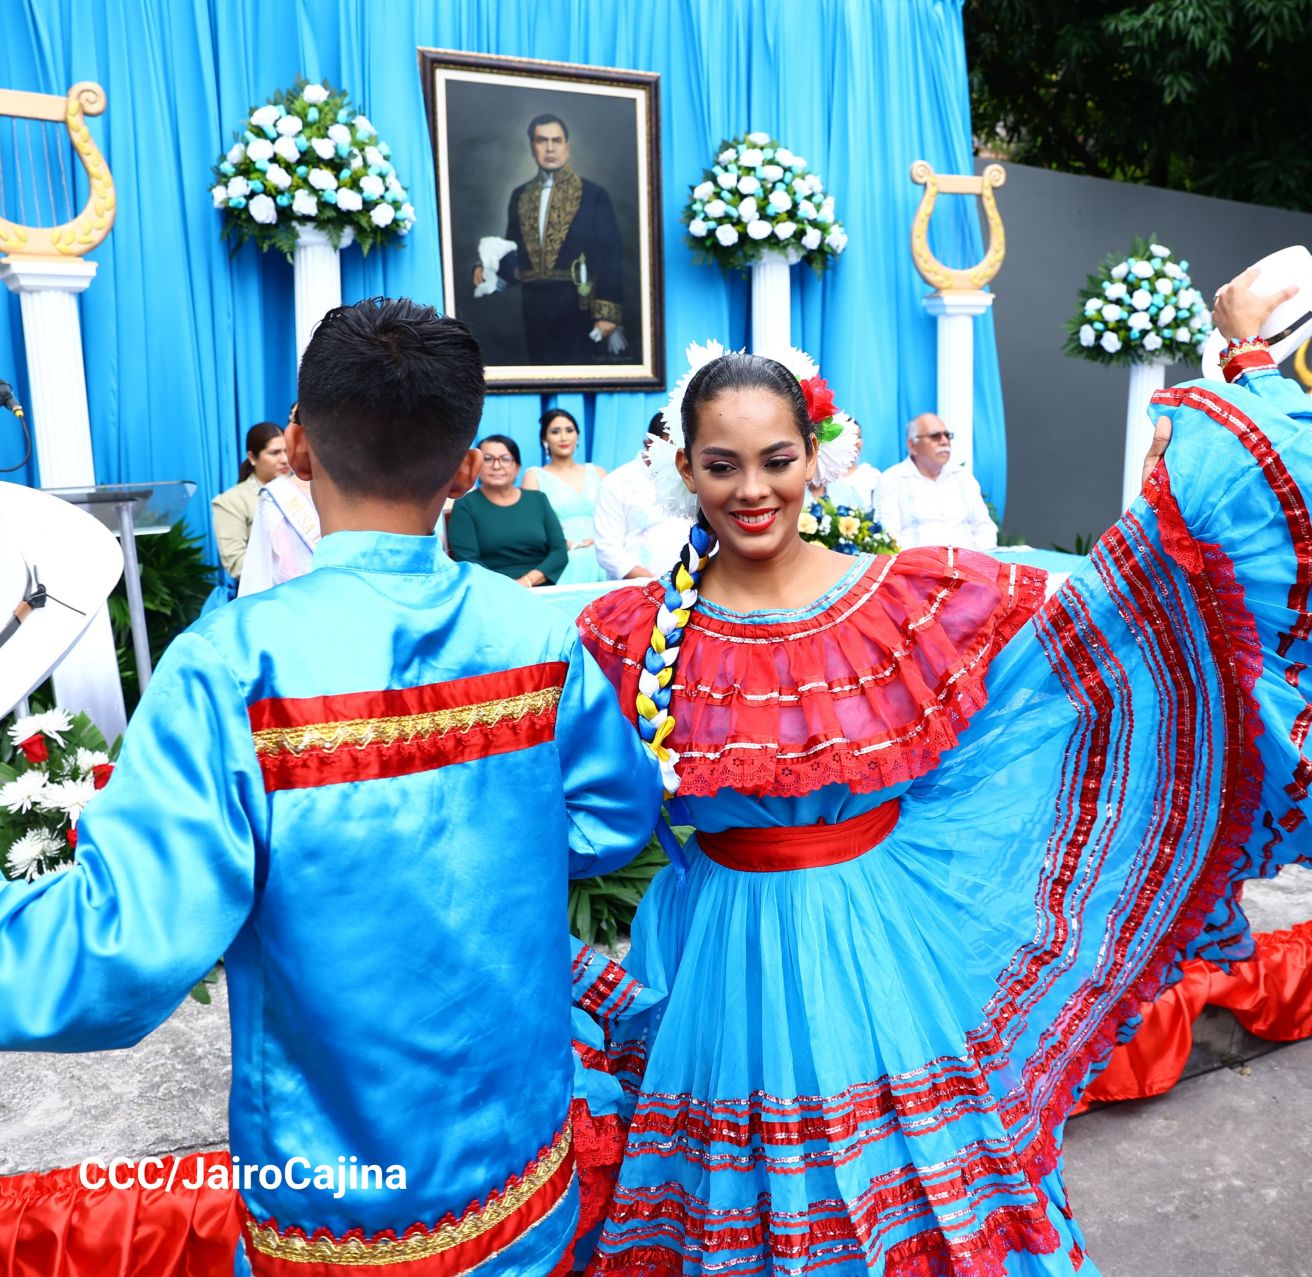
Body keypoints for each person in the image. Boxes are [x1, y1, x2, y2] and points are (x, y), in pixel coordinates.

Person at [574, 269, 1312, 1275]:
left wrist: (1249, 364)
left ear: (816, 458)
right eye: (722, 465)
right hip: (718, 959)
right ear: (684, 471)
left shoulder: (916, 596)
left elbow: (1120, 604)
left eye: (777, 459)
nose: (753, 489)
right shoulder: (623, 631)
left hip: (885, 947)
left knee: (921, 1213)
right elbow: (575, 813)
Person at [0, 298, 660, 1276]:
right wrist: (486, 838)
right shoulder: (537, 637)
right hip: (523, 1163)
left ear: (300, 448)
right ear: (463, 466)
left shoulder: (232, 665)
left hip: (342, 1202)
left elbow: (120, 949)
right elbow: (614, 814)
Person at [472, 113, 624, 364]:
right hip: (534, 306)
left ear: (567, 147)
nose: (550, 148)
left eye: (556, 140)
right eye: (542, 140)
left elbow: (610, 256)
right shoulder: (520, 196)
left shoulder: (594, 194)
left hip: (579, 306)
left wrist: (606, 313)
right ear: (532, 147)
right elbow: (515, 252)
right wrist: (487, 268)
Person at [447, 434, 569, 586]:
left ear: (517, 467)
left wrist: (527, 581)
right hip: (490, 589)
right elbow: (469, 561)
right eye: (488, 459)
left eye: (505, 459)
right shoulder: (465, 505)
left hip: (539, 587)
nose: (497, 466)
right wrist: (508, 587)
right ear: (477, 467)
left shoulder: (538, 499)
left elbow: (559, 551)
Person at [874, 411, 998, 549]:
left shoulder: (963, 477)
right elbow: (889, 536)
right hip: (917, 561)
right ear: (912, 445)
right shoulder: (892, 480)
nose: (944, 441)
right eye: (935, 436)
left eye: (947, 435)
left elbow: (984, 528)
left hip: (967, 559)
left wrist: (978, 558)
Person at [593, 413, 694, 580]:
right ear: (649, 444)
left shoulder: (694, 478)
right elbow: (607, 550)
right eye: (671, 447)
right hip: (640, 588)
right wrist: (655, 584)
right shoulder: (616, 483)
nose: (679, 456)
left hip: (696, 584)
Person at [522, 408, 606, 583]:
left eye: (569, 430)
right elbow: (532, 527)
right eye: (555, 432)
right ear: (544, 439)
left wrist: (600, 541)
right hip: (562, 551)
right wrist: (567, 545)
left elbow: (615, 515)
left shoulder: (597, 472)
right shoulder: (534, 476)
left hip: (602, 545)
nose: (563, 437)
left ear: (577, 436)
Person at [210, 422, 290, 583]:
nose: (284, 459)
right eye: (274, 453)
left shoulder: (305, 489)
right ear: (252, 457)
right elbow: (236, 563)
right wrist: (288, 573)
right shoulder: (232, 501)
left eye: (287, 451)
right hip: (266, 592)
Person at [811, 416, 881, 516]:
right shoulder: (820, 477)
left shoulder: (872, 476)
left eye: (859, 436)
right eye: (852, 437)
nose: (856, 442)